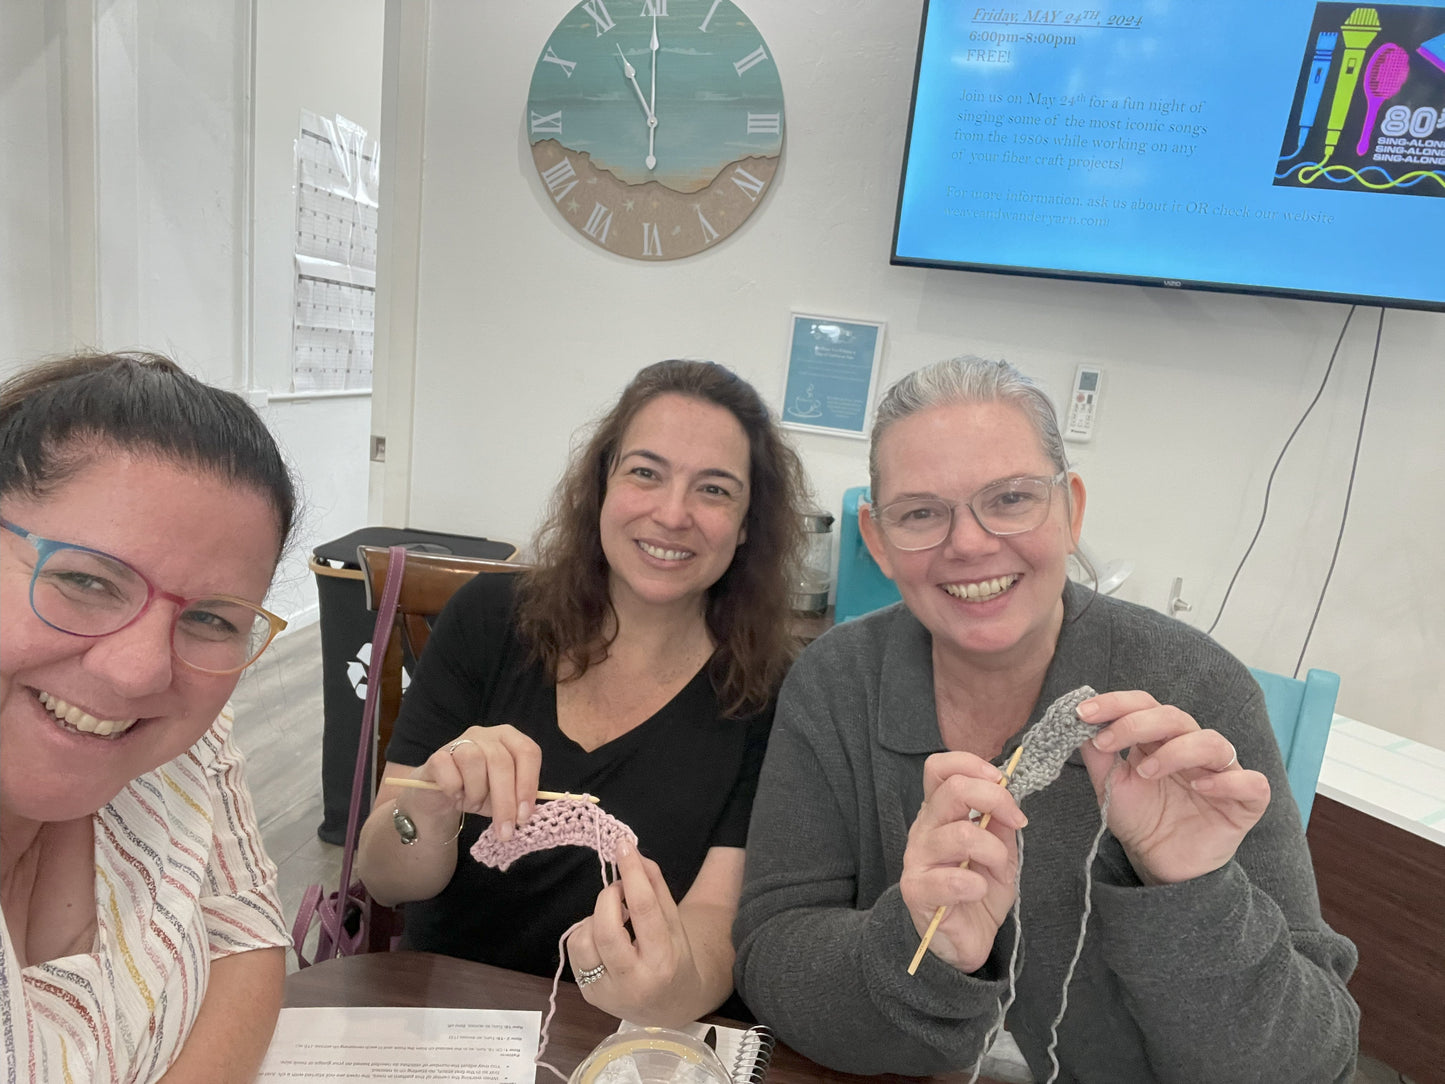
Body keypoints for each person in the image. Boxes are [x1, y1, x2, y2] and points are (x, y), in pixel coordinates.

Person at [733, 356, 1360, 1082]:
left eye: (1009, 499)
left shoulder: (1191, 688)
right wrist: (920, 946)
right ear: (876, 540)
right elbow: (772, 956)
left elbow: (1311, 1065)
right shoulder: (835, 682)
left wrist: (1193, 890)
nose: (967, 543)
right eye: (921, 513)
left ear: (1071, 511)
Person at [356, 359, 808, 1027]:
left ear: (746, 525)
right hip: (446, 1020)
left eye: (713, 490)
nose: (672, 513)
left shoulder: (768, 693)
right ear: (600, 486)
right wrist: (429, 803)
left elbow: (715, 923)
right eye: (645, 473)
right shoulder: (488, 619)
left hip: (633, 1035)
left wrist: (658, 989)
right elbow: (386, 877)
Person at [1, 352, 298, 1083]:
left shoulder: (187, 743)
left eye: (210, 619)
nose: (141, 671)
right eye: (84, 579)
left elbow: (247, 927)